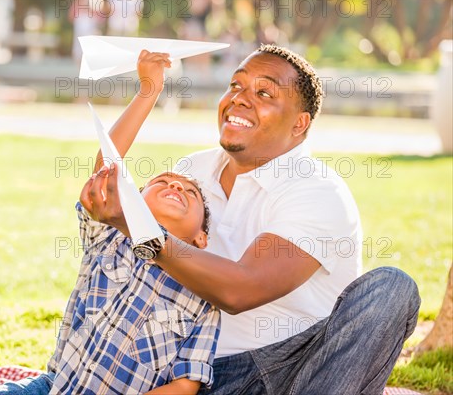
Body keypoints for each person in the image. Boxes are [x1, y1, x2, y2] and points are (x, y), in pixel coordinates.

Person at [82, 44, 421, 394]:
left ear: (299, 123)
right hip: (186, 374)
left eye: (263, 92)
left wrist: (146, 234)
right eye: (235, 85)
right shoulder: (192, 172)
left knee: (391, 288)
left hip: (292, 372)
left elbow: (240, 290)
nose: (240, 98)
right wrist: (148, 91)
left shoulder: (318, 192)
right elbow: (111, 193)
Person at [0, 51, 220, 395]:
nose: (175, 185)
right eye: (162, 182)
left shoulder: (205, 296)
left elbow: (185, 386)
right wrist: (149, 90)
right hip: (53, 388)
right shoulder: (113, 237)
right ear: (131, 203)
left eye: (189, 191)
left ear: (202, 237)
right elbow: (108, 165)